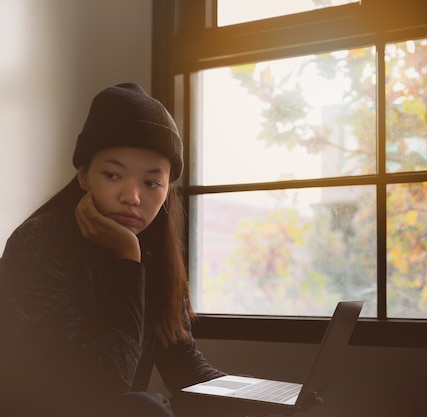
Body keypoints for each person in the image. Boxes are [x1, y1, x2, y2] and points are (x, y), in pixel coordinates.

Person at [0, 83, 321, 417]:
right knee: (144, 407)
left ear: (167, 190)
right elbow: (103, 385)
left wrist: (269, 398)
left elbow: (186, 371)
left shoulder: (155, 254)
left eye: (152, 183)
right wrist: (127, 260)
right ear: (84, 175)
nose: (133, 197)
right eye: (113, 175)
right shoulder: (39, 243)